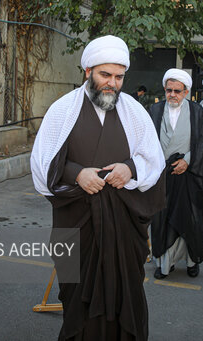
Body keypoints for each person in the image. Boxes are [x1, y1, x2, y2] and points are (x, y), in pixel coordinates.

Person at [30, 35, 166, 341]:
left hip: (122, 227)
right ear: (87, 72)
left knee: (125, 299)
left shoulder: (134, 111)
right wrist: (77, 174)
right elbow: (42, 162)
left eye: (119, 77)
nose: (112, 84)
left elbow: (153, 162)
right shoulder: (62, 109)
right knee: (75, 303)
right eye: (105, 75)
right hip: (75, 225)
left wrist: (129, 168)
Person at [149, 69, 203, 280]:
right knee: (164, 221)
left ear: (186, 92)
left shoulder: (197, 112)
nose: (172, 95)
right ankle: (164, 264)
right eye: (169, 90)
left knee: (191, 221)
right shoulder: (154, 110)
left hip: (190, 176)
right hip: (162, 177)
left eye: (177, 91)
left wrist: (188, 161)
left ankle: (191, 262)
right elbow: (145, 141)